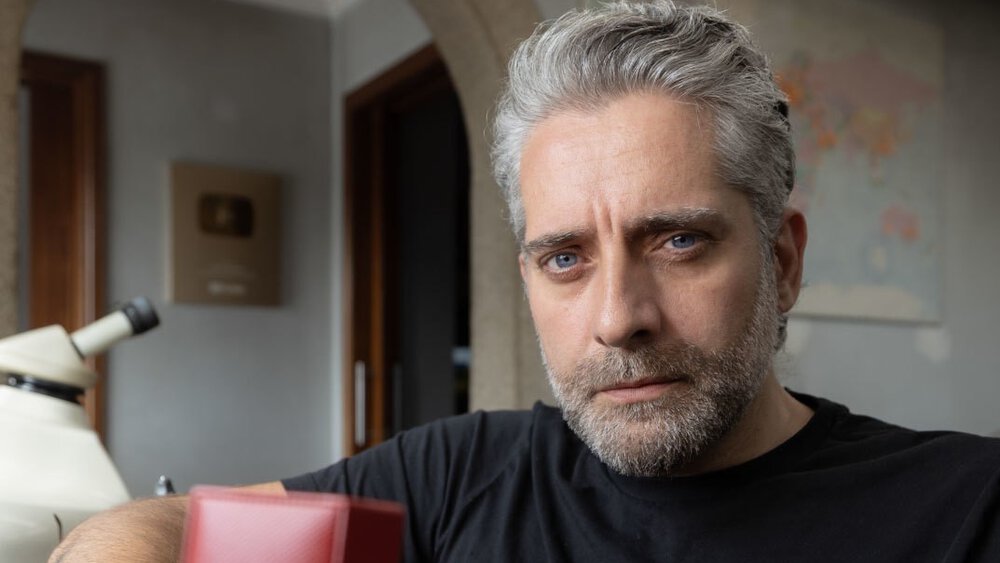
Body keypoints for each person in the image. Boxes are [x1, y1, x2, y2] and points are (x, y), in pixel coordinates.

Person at [52, 2, 1000, 562]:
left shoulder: (966, 507)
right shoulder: (458, 475)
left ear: (782, 259)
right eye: (565, 257)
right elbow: (165, 524)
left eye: (676, 241)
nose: (617, 319)